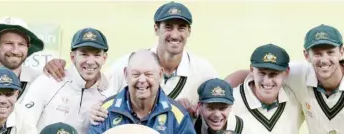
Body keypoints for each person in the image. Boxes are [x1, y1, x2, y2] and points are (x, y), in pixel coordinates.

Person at [44, 1, 218, 118]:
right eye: (168, 27)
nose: (175, 34)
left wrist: (196, 112)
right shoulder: (129, 63)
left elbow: (219, 108)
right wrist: (96, 108)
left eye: (181, 28)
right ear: (156, 29)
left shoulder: (203, 69)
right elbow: (99, 91)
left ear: (189, 31)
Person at [232, 44, 304, 134]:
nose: (267, 81)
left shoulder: (296, 97)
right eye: (261, 73)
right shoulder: (232, 102)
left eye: (273, 74)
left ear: (286, 72)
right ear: (252, 70)